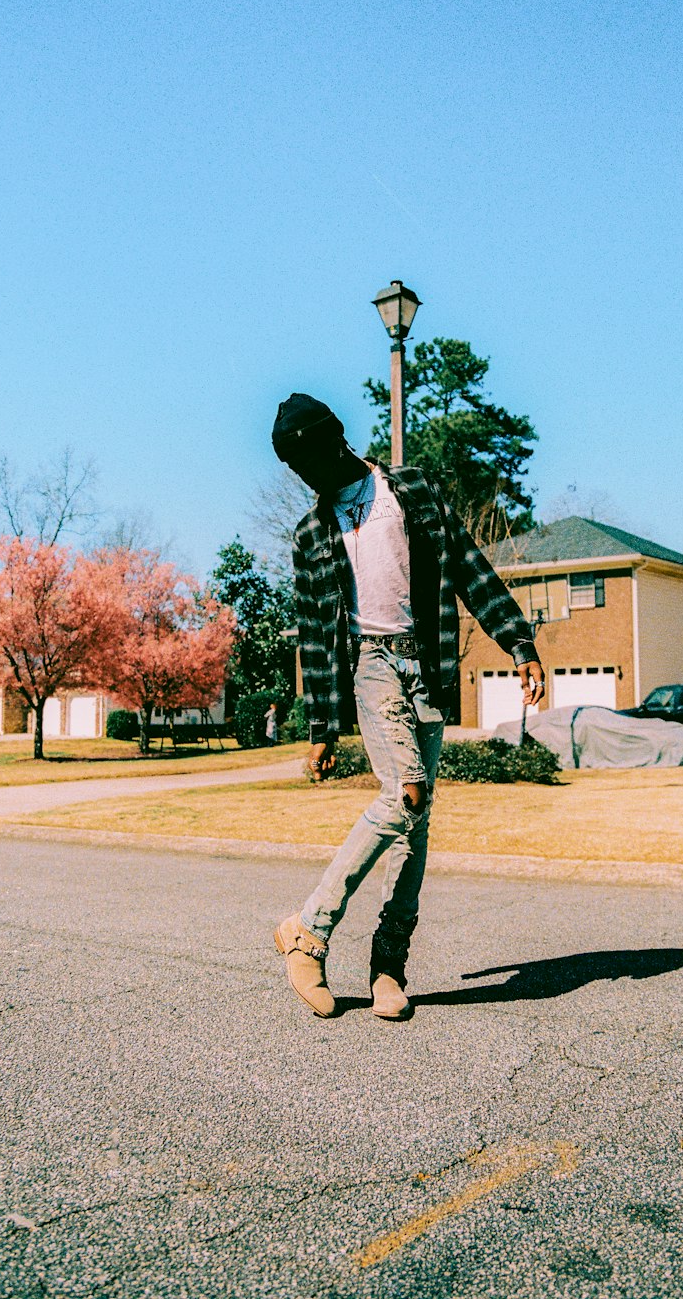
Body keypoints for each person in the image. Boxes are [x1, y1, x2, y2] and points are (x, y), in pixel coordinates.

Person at [271, 393, 544, 1021]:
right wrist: (321, 727)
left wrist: (518, 641)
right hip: (371, 665)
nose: (316, 475)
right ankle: (308, 931)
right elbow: (316, 632)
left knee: (413, 826)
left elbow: (470, 568)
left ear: (338, 441)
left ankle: (388, 967)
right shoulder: (312, 533)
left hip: (427, 664)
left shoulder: (412, 490)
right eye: (302, 470)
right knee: (407, 795)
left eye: (320, 458)